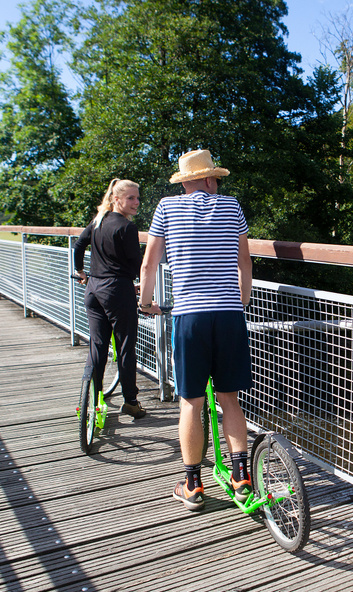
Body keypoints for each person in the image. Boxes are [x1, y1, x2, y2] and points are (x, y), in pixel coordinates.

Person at [138, 149, 252, 511]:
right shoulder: (231, 207)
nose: (218, 184)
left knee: (191, 401)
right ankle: (241, 478)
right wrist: (242, 301)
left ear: (184, 181)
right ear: (205, 179)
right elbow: (244, 261)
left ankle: (192, 484)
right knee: (229, 398)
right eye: (215, 178)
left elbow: (149, 264)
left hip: (189, 317)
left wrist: (145, 303)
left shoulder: (166, 209)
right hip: (228, 314)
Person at [73, 178, 146, 419]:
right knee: (125, 346)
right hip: (117, 291)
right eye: (131, 198)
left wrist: (81, 272)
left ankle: (92, 400)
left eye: (137, 197)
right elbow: (137, 265)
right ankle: (131, 401)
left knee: (98, 345)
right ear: (117, 200)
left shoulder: (98, 221)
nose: (137, 202)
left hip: (93, 289)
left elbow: (79, 245)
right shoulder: (126, 227)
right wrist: (141, 288)